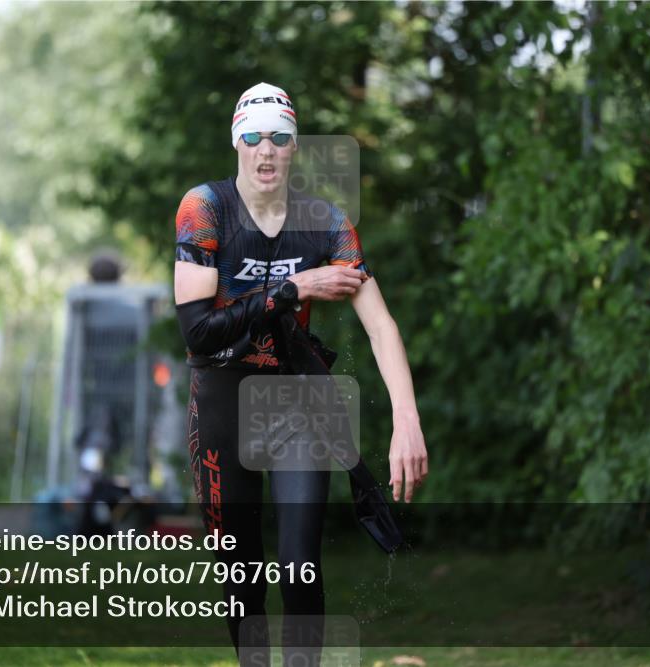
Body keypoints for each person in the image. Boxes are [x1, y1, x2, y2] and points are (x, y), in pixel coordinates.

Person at [174, 82, 428, 665]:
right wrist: (295, 288)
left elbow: (382, 326)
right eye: (254, 137)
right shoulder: (205, 209)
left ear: (296, 146)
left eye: (281, 137)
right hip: (220, 405)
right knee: (241, 579)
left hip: (292, 405)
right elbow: (199, 333)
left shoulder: (324, 222)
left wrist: (406, 422)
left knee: (298, 564)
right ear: (236, 141)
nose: (267, 150)